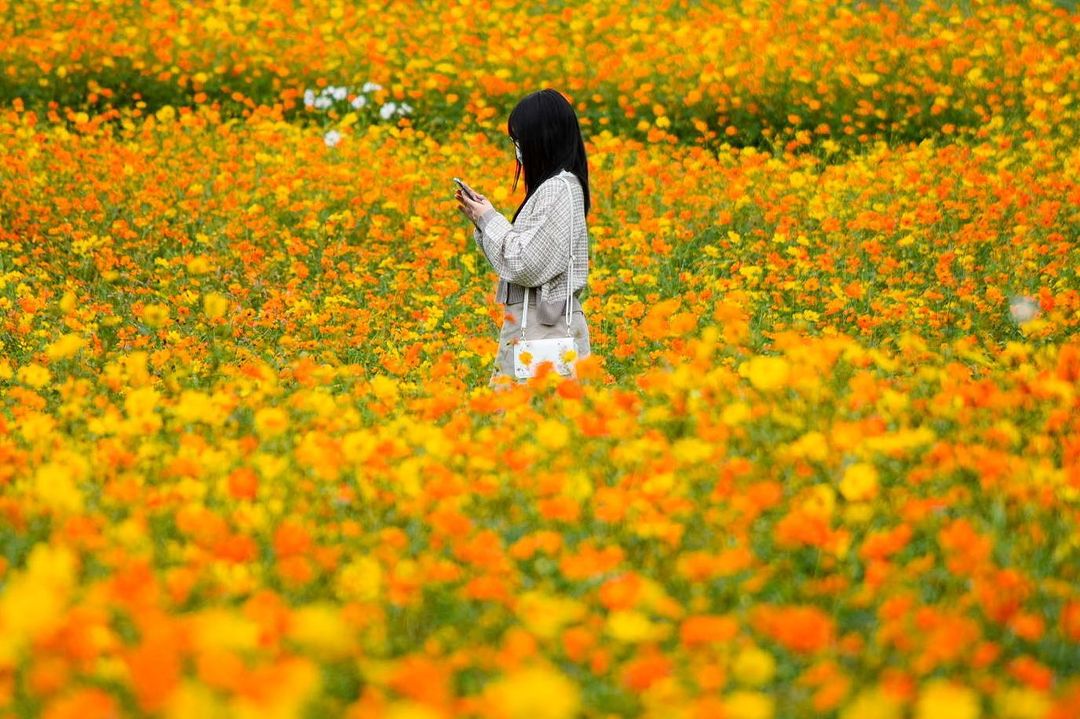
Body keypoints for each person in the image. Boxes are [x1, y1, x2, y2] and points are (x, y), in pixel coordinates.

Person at [455, 89, 592, 390]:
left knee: (526, 421)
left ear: (543, 138)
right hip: (531, 326)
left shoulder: (560, 189)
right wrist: (483, 220)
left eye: (520, 139)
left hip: (543, 328)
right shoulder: (556, 189)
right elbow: (514, 259)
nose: (517, 148)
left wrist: (489, 219)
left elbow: (524, 263)